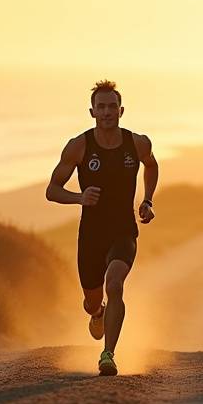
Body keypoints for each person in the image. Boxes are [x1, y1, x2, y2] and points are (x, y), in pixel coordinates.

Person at [45, 80, 158, 376]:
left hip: (124, 230)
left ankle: (108, 354)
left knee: (116, 285)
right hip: (91, 235)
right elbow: (52, 190)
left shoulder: (138, 143)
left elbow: (151, 165)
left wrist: (147, 200)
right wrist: (79, 197)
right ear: (92, 112)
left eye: (112, 107)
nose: (107, 112)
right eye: (101, 107)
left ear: (121, 111)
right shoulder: (79, 146)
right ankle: (97, 312)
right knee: (92, 300)